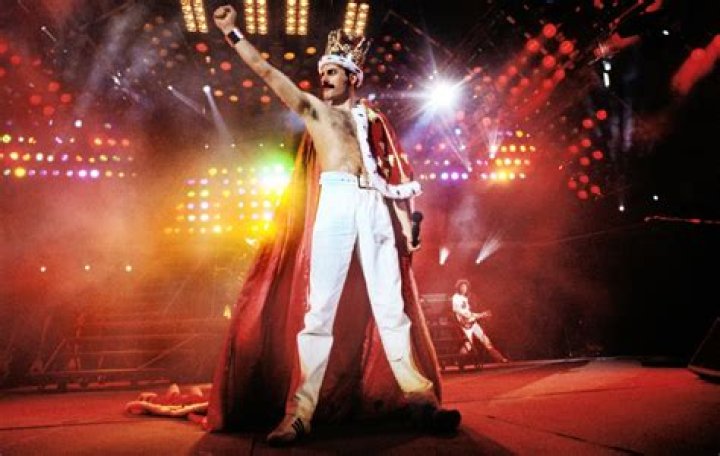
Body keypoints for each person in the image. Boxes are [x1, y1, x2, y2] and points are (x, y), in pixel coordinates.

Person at [208, 5, 460, 445]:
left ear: (352, 76)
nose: (323, 77)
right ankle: (299, 413)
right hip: (337, 199)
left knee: (391, 307)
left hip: (375, 204)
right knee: (319, 310)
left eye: (332, 71)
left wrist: (407, 223)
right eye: (322, 71)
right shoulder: (314, 111)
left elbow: (394, 175)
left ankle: (421, 400)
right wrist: (232, 33)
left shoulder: (375, 121)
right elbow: (267, 72)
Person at [452, 279, 509, 364]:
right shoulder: (456, 298)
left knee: (485, 340)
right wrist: (481, 315)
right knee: (468, 345)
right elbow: (463, 313)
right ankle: (458, 361)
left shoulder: (465, 298)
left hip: (472, 323)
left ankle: (500, 358)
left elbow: (469, 313)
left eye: (465, 287)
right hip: (465, 325)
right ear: (458, 288)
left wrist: (481, 315)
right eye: (462, 287)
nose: (464, 288)